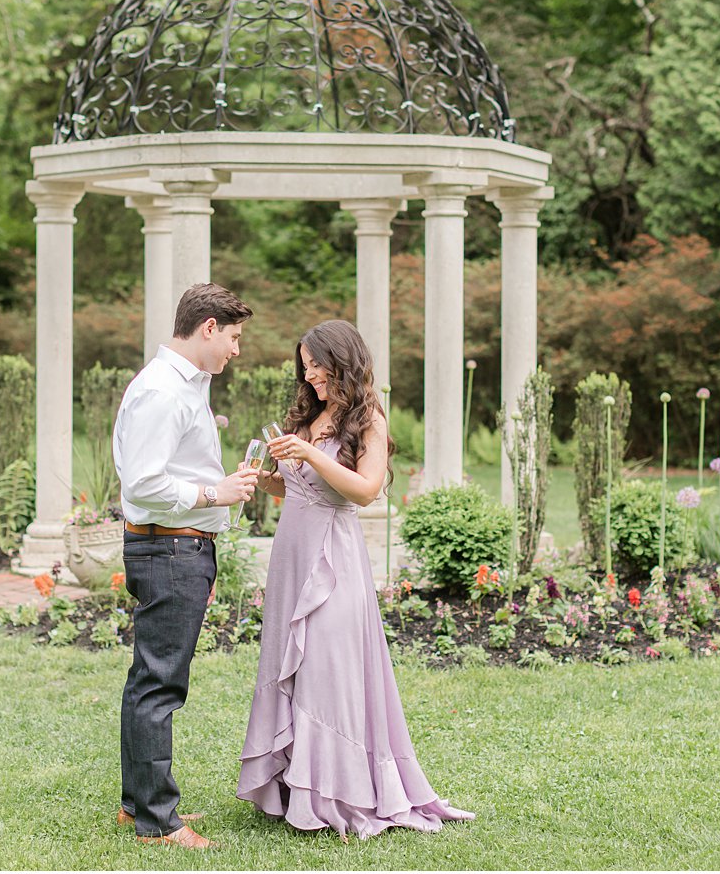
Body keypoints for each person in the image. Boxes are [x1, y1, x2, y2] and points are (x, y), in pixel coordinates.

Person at [237, 319, 473, 840]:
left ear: (342, 360)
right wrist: (266, 477)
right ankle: (293, 787)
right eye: (305, 368)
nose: (311, 376)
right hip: (291, 558)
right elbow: (296, 490)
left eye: (317, 366)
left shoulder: (370, 421)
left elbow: (364, 492)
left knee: (329, 667)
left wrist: (312, 455)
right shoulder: (309, 416)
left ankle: (340, 793)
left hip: (334, 558)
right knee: (290, 666)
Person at [113, 282, 259, 850]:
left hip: (178, 548)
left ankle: (136, 806)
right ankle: (157, 820)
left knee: (150, 679)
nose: (236, 350)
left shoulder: (183, 387)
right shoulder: (163, 392)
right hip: (168, 547)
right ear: (208, 328)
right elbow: (144, 483)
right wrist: (213, 494)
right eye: (234, 337)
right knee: (159, 684)